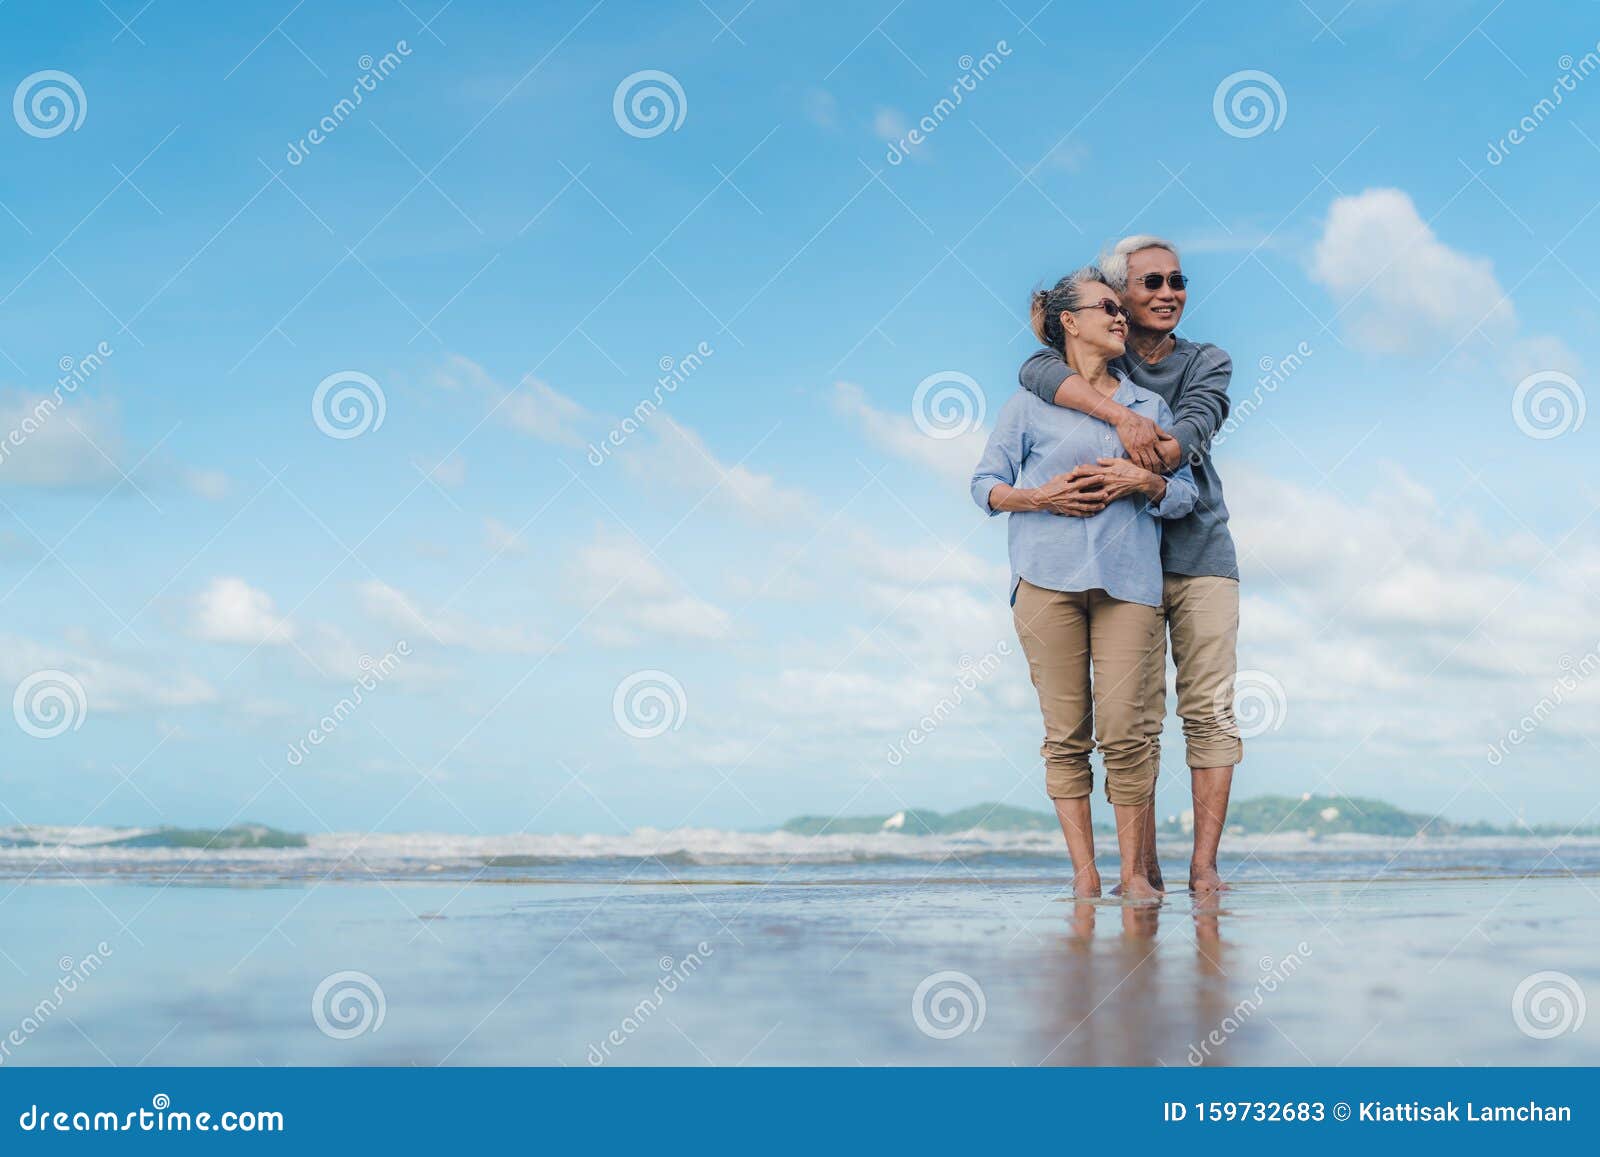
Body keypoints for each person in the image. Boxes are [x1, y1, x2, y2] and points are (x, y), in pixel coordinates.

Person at [1018, 235, 1241, 896]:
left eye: (1177, 281)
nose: (1168, 293)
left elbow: (1188, 437)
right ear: (1118, 299)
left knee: (1208, 711)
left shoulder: (1207, 361)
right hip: (1122, 568)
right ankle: (1140, 873)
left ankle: (1204, 870)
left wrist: (1142, 468)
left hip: (1200, 552)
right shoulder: (1102, 360)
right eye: (1151, 283)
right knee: (1133, 724)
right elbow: (1034, 370)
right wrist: (1119, 412)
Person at [972, 267, 1196, 901]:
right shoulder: (1025, 405)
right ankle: (1085, 876)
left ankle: (1133, 876)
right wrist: (1038, 496)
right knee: (1065, 735)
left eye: (1120, 309)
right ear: (1069, 322)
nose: (1121, 316)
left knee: (1127, 731)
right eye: (1107, 308)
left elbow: (1184, 496)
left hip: (1129, 585)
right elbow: (983, 485)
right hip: (1045, 583)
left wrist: (1145, 483)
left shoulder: (1150, 408)